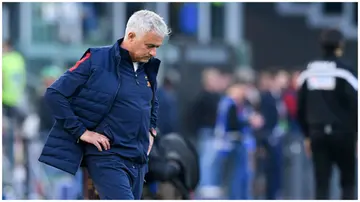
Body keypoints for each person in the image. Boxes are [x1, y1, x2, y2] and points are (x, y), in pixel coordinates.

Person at [38, 10, 171, 199]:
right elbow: (54, 94)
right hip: (107, 158)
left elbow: (152, 102)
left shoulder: (148, 67)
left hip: (139, 160)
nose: (154, 52)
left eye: (157, 47)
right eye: (150, 45)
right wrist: (82, 132)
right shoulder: (97, 59)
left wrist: (151, 130)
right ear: (131, 36)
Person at [296, 29, 357, 199]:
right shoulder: (345, 71)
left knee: (321, 182)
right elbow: (355, 105)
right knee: (348, 182)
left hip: (317, 133)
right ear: (340, 46)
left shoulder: (308, 73)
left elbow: (300, 108)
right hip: (343, 134)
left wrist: (307, 135)